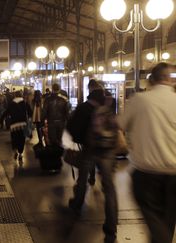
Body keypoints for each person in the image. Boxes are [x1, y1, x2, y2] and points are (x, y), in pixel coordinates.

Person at [118, 63, 176, 243]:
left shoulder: (140, 100)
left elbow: (119, 126)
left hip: (146, 173)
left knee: (154, 219)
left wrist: (125, 146)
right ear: (169, 79)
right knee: (167, 219)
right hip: (174, 173)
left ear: (152, 79)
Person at [66, 80, 118, 243]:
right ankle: (111, 227)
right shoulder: (109, 105)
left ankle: (77, 204)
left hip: (90, 149)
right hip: (108, 151)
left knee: (82, 179)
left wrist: (79, 140)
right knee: (109, 188)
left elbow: (72, 129)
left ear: (89, 92)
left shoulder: (83, 107)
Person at [6, 91, 32, 161]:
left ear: (15, 96)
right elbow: (30, 112)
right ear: (21, 95)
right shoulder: (25, 103)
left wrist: (0, 120)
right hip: (23, 124)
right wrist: (30, 118)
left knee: (14, 139)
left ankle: (15, 152)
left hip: (14, 125)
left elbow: (6, 112)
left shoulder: (11, 103)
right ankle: (20, 153)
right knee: (21, 139)